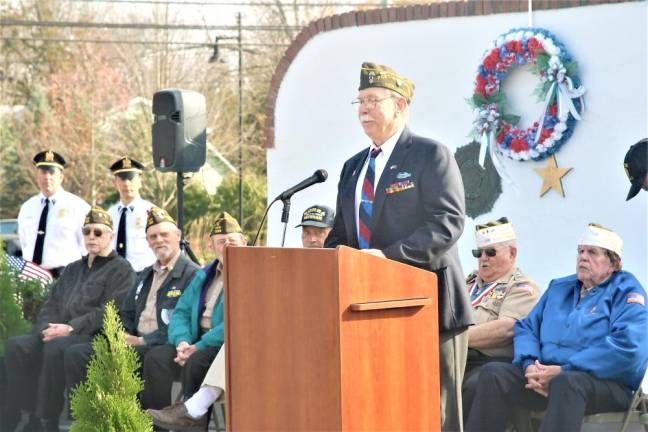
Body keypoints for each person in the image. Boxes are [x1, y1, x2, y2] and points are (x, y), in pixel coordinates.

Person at [324, 62, 472, 431]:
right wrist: (331, 265)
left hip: (430, 308)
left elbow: (447, 223)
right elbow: (341, 234)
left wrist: (386, 260)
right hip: (367, 308)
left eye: (373, 100)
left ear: (400, 105)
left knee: (437, 413)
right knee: (383, 408)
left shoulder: (429, 155)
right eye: (359, 102)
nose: (363, 110)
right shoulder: (353, 167)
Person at [465, 223, 648, 432]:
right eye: (581, 251)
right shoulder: (560, 288)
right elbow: (526, 327)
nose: (583, 257)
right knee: (494, 374)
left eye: (592, 252)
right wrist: (530, 366)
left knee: (567, 383)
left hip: (605, 384)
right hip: (547, 376)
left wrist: (564, 369)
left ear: (613, 263)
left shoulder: (627, 292)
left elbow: (629, 349)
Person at [2, 207, 136, 432]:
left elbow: (109, 312)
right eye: (87, 231)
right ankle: (19, 412)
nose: (91, 236)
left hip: (91, 335)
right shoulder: (74, 268)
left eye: (98, 232)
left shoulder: (122, 270)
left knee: (55, 347)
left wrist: (70, 328)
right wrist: (47, 327)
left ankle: (48, 419)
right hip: (56, 331)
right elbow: (51, 303)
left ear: (110, 236)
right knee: (16, 346)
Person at [63, 207, 199, 400]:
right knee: (78, 353)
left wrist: (143, 341)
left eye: (164, 234)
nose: (158, 240)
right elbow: (126, 312)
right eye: (153, 237)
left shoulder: (192, 275)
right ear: (148, 242)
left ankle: (151, 426)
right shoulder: (145, 274)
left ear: (178, 236)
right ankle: (90, 420)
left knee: (149, 358)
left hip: (167, 344)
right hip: (135, 340)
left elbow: (185, 322)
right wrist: (122, 334)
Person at [140, 212, 246, 410]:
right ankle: (155, 424)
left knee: (196, 361)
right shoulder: (204, 275)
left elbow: (239, 321)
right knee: (156, 358)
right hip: (195, 341)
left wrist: (197, 347)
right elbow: (181, 312)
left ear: (244, 242)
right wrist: (182, 342)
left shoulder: (250, 275)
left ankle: (191, 422)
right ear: (211, 247)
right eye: (222, 241)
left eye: (233, 240)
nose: (228, 245)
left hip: (223, 346)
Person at [461, 217, 539, 419]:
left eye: (491, 252)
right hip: (456, 359)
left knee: (470, 387)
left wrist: (455, 340)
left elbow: (507, 329)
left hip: (490, 362)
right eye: (478, 253)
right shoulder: (465, 284)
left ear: (512, 253)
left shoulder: (522, 288)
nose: (483, 258)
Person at [17, 150, 90, 277]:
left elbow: (87, 247)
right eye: (43, 172)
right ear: (37, 176)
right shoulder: (27, 208)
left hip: (66, 276)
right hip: (32, 277)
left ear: (61, 177)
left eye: (52, 172)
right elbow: (24, 242)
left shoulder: (78, 206)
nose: (47, 177)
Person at [107, 156, 157, 271]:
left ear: (140, 182)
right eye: (122, 179)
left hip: (142, 275)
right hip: (115, 276)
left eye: (131, 179)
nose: (127, 184)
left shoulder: (151, 212)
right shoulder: (109, 214)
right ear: (115, 183)